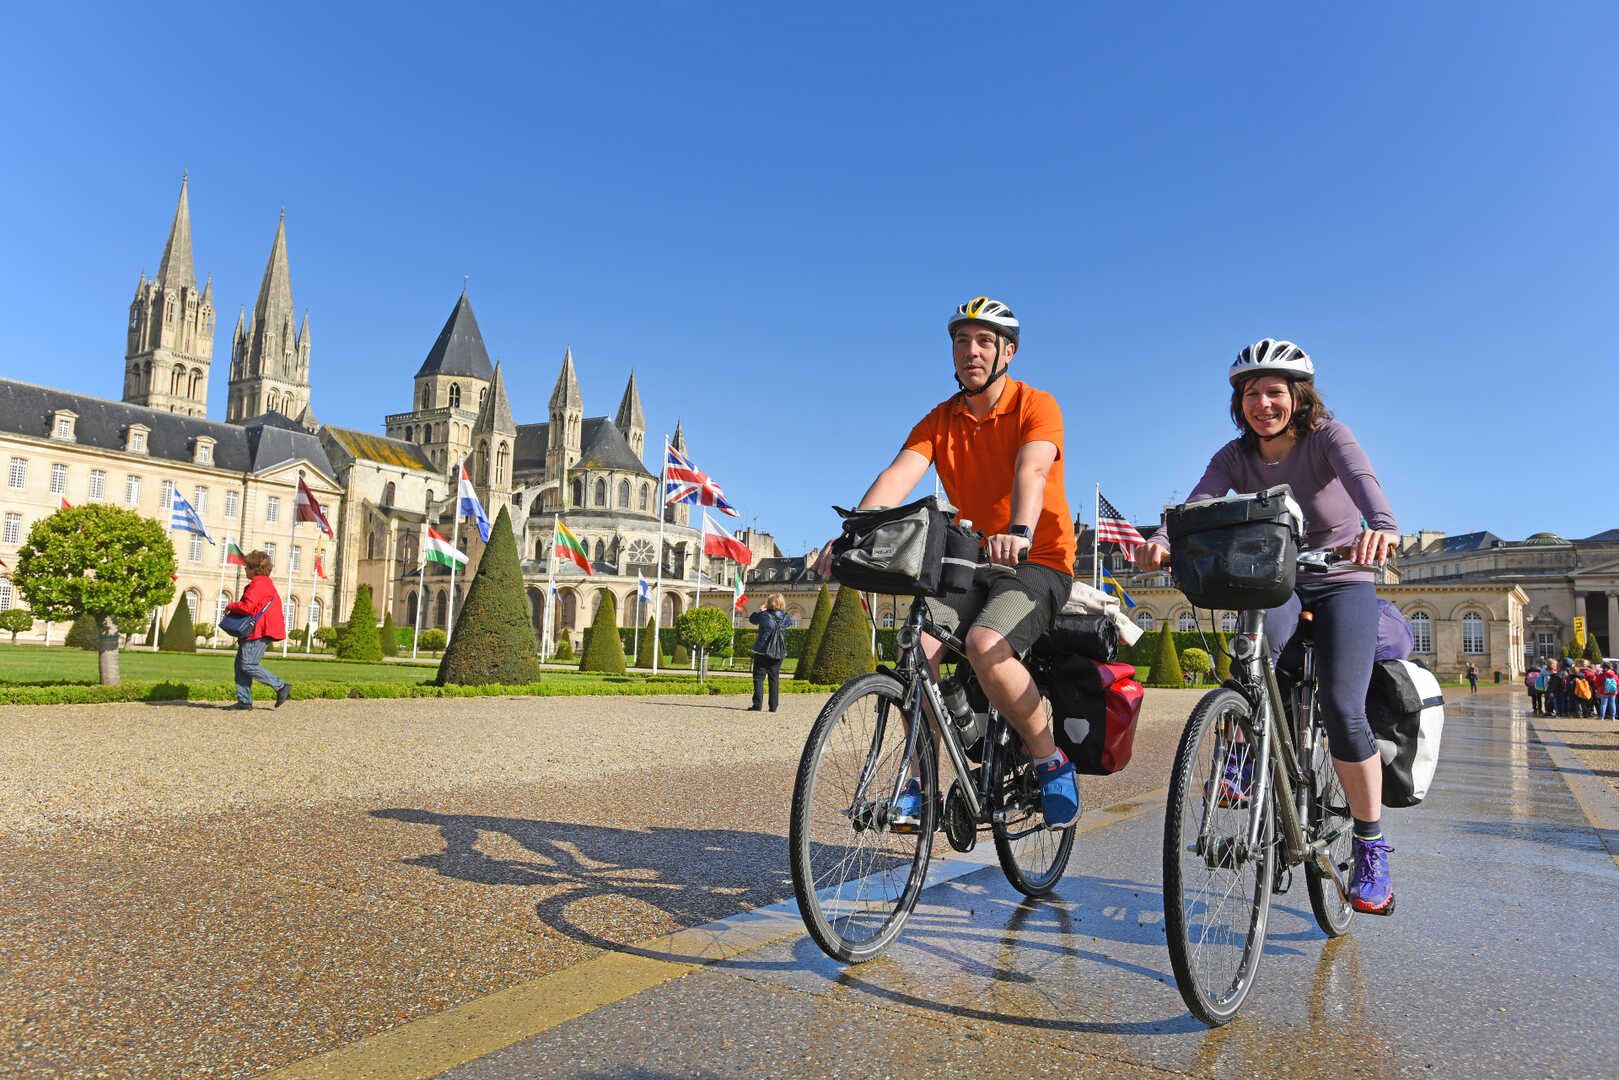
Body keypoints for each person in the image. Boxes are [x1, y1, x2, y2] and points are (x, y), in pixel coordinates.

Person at [1135, 338, 1400, 915]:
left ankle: (1371, 845)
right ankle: (1241, 755)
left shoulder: (1329, 437)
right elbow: (1198, 504)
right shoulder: (1234, 456)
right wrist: (1160, 541)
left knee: (1341, 705)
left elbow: (1364, 484)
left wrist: (1380, 526)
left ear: (1297, 397)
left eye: (1274, 392)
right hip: (1277, 579)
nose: (1263, 403)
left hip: (1342, 580)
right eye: (1251, 393)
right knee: (1251, 657)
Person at [821, 297, 1079, 830]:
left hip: (1038, 561)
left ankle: (1049, 759)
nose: (972, 351)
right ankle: (923, 781)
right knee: (917, 646)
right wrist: (851, 534)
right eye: (962, 341)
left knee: (987, 645)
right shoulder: (941, 419)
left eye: (985, 341)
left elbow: (1032, 470)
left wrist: (1019, 533)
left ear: (1007, 351)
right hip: (971, 561)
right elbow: (898, 475)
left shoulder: (1037, 405)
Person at [223, 549, 291, 710]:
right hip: (260, 628)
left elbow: (247, 607)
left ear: (255, 569)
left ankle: (281, 686)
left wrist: (230, 606)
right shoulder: (264, 583)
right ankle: (244, 701)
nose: (245, 569)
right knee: (240, 665)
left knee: (247, 664)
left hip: (259, 630)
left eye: (247, 567)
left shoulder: (259, 583)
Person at [748, 593, 791, 712]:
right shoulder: (786, 617)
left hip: (762, 651)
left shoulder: (763, 615)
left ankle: (757, 705)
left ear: (768, 603)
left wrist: (760, 610)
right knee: (774, 678)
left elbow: (752, 619)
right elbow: (788, 624)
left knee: (759, 678)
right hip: (778, 651)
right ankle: (773, 706)